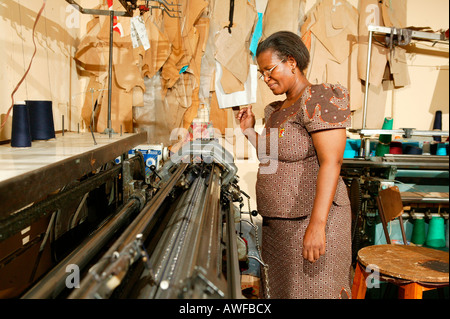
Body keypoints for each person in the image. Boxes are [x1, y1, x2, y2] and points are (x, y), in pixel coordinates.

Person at [237, 31, 352, 299]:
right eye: (261, 73)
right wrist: (248, 131)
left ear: (291, 62)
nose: (265, 79)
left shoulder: (318, 99)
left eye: (269, 70)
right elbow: (273, 156)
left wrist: (317, 226)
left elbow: (332, 162)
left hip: (311, 222)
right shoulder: (277, 109)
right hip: (278, 228)